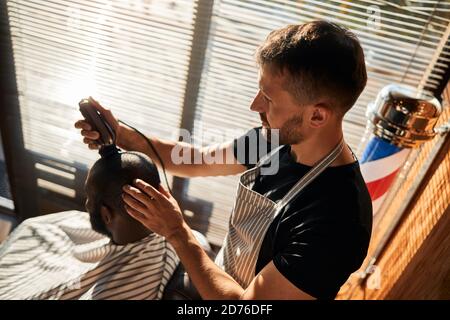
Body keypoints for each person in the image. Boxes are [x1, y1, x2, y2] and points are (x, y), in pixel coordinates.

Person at [75, 20, 372, 300]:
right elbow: (197, 160)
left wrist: (177, 232)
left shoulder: (336, 222)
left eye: (268, 99)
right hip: (217, 275)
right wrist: (123, 136)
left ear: (317, 115)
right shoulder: (273, 140)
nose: (254, 105)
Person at [0, 151, 179, 299]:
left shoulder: (112, 292)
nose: (86, 205)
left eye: (89, 198)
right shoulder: (176, 236)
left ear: (106, 215)